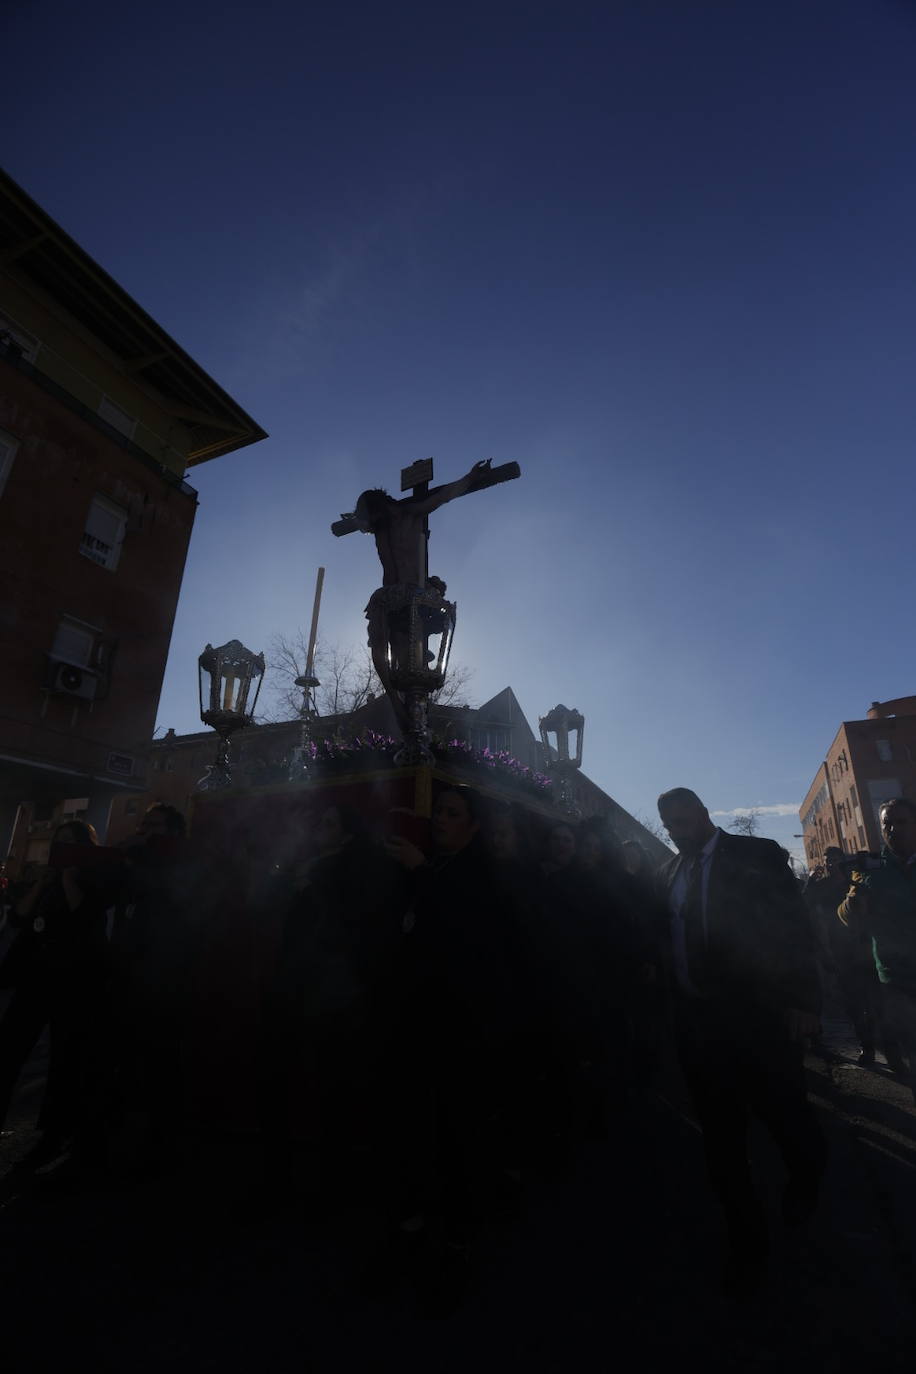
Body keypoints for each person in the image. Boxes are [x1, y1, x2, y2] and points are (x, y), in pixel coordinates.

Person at [655, 788, 826, 1295]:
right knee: (722, 1142)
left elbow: (793, 928)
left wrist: (805, 1001)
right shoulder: (668, 873)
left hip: (759, 1020)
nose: (676, 829)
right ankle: (747, 1243)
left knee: (787, 1118)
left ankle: (805, 1175)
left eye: (682, 819)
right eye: (669, 823)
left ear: (703, 814)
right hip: (699, 1027)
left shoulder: (756, 856)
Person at [0, 820, 111, 1159]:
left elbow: (86, 917)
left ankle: (54, 1131)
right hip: (35, 977)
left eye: (69, 843)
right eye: (57, 842)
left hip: (71, 981)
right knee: (8, 1051)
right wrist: (43, 884)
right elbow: (20, 918)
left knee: (64, 1058)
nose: (60, 849)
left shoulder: (92, 880)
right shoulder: (45, 882)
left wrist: (68, 879)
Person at [839, 797, 916, 1100]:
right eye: (887, 824)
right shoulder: (872, 871)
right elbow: (846, 917)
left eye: (902, 822)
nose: (894, 829)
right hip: (897, 977)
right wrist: (854, 900)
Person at [806, 846, 881, 1065]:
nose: (832, 864)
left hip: (868, 949)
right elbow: (804, 905)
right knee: (854, 1004)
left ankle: (887, 1045)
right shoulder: (821, 887)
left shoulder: (857, 880)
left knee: (877, 1002)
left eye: (836, 859)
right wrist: (811, 881)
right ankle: (866, 1047)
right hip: (841, 953)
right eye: (828, 861)